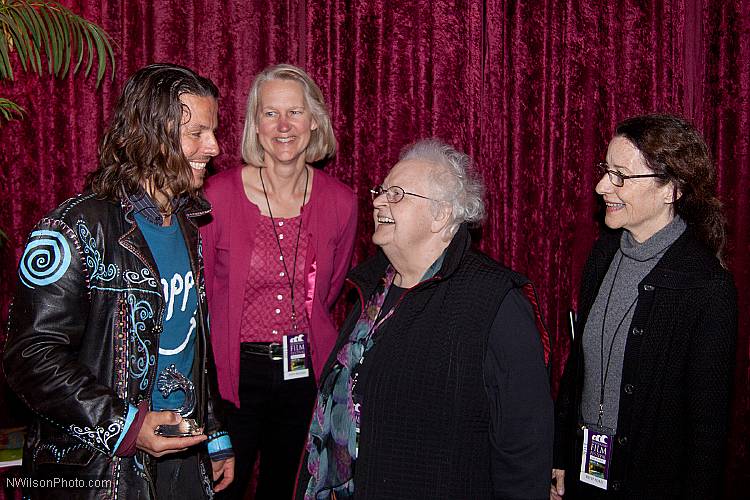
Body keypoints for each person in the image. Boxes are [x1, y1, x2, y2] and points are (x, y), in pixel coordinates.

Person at [3, 63, 234, 499]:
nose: (214, 146)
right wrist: (127, 425)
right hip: (103, 470)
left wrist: (215, 434)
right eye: (197, 133)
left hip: (184, 452)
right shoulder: (74, 227)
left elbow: (191, 344)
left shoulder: (188, 222)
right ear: (152, 135)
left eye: (213, 131)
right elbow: (30, 357)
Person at [295, 138, 553, 500]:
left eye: (396, 194)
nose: (379, 201)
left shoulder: (496, 300)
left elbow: (524, 442)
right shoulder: (372, 288)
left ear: (441, 214)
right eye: (381, 191)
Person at [551, 114, 737, 499]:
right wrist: (560, 455)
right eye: (605, 169)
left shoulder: (705, 287)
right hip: (587, 476)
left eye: (621, 175)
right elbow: (579, 371)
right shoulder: (602, 254)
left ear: (670, 189)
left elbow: (708, 433)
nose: (602, 185)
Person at [200, 64, 357, 499]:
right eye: (271, 113)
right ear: (255, 123)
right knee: (220, 489)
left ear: (314, 122)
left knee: (287, 488)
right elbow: (201, 295)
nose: (284, 126)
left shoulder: (342, 203)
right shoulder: (215, 196)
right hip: (232, 378)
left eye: (295, 112)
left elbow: (328, 293)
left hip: (304, 373)